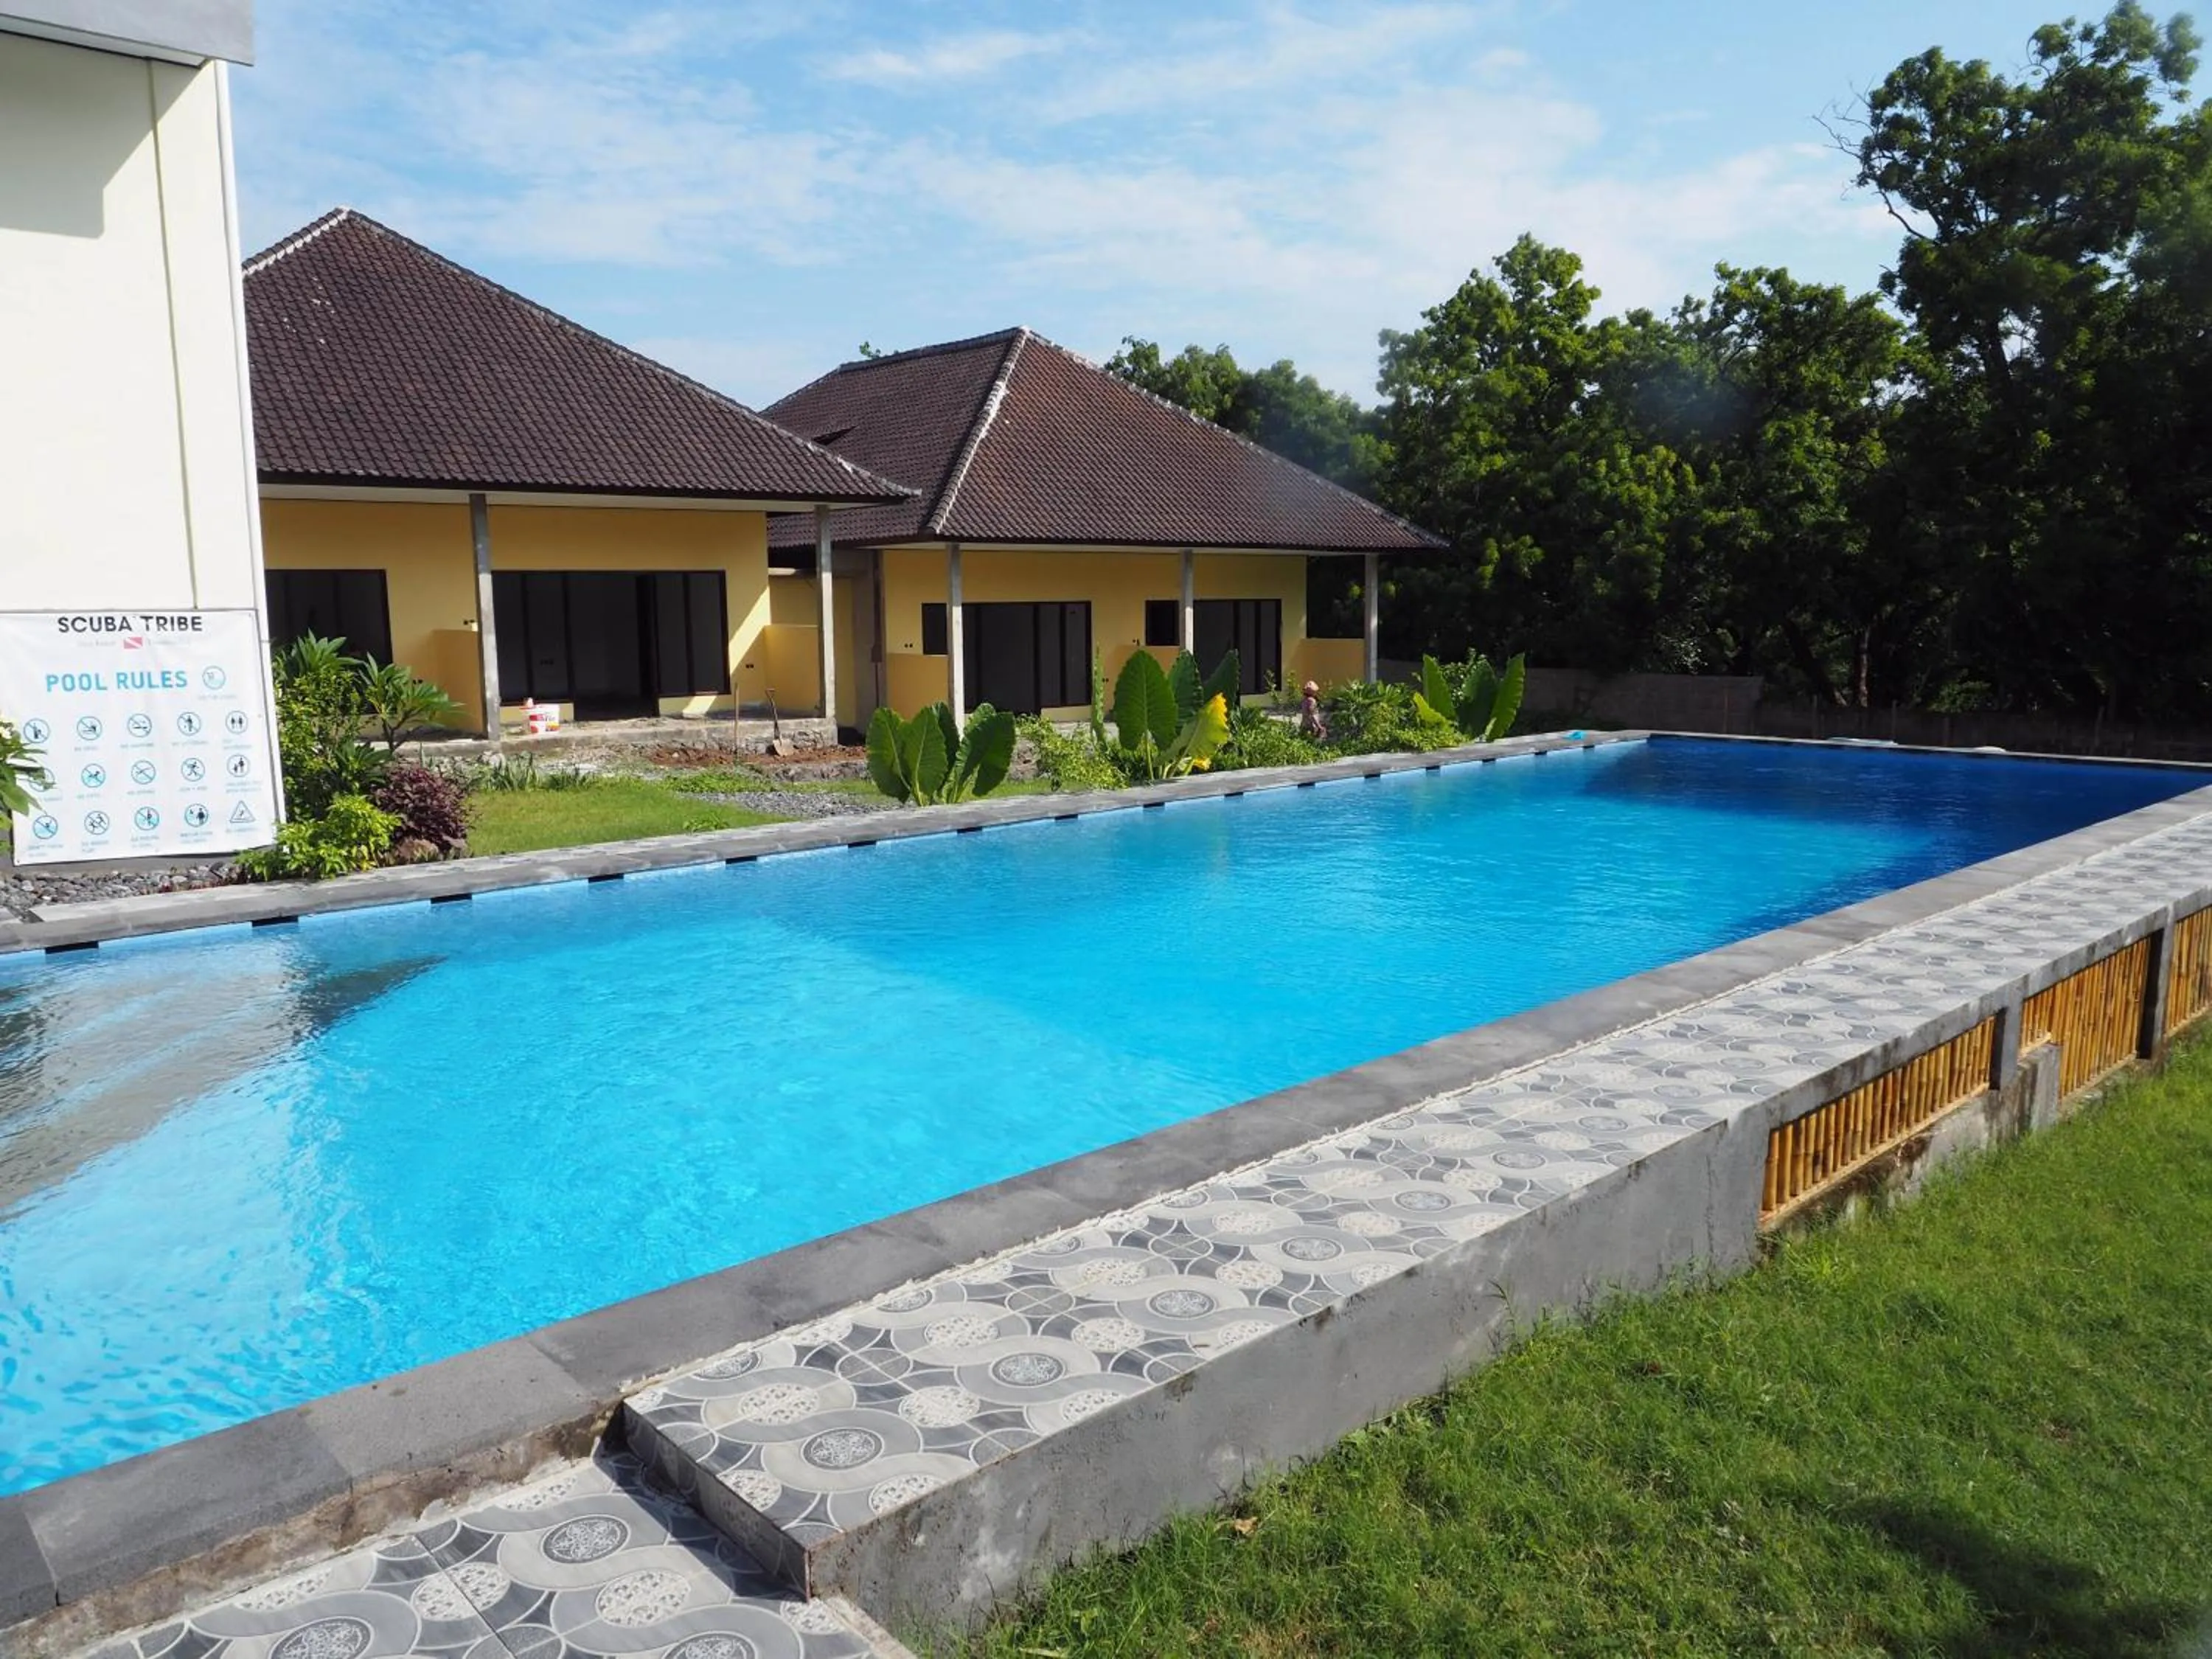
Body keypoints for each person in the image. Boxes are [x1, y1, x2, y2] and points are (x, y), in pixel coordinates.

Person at [1297, 679, 1329, 743]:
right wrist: (1319, 726)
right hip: (1311, 725)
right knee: (1315, 742)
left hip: (1304, 724)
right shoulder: (1312, 701)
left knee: (1303, 741)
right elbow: (1313, 715)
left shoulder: (1304, 700)